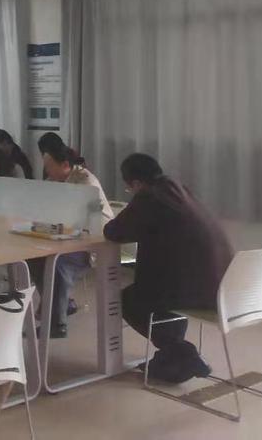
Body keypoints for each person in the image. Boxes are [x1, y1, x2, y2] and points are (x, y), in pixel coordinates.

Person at [104, 153, 233, 384]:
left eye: (129, 188)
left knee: (127, 300)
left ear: (136, 183)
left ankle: (183, 354)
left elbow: (114, 231)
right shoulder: (179, 190)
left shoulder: (149, 196)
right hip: (221, 284)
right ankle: (174, 358)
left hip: (193, 290)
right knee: (158, 298)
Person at [32, 144, 114, 338]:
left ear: (65, 165)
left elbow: (83, 221)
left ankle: (56, 325)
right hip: (69, 238)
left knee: (57, 263)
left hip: (93, 243)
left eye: (50, 166)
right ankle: (62, 303)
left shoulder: (85, 182)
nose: (47, 171)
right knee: (34, 257)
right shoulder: (58, 180)